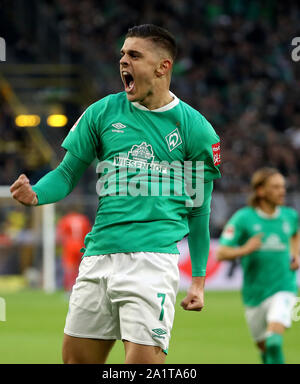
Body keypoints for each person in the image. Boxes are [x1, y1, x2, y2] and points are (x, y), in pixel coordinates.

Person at [10, 24, 221, 364]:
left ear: (162, 67)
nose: (123, 60)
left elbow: (199, 210)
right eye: (122, 54)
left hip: (151, 261)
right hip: (97, 257)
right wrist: (36, 194)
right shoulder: (102, 112)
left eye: (134, 55)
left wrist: (197, 282)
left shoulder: (195, 129)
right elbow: (65, 174)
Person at [216, 168, 299, 364]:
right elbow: (221, 253)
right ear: (261, 191)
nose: (282, 191)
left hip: (284, 288)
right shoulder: (244, 218)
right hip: (254, 294)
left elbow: (295, 233)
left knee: (274, 343)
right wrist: (245, 249)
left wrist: (296, 254)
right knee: (264, 349)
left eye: (283, 187)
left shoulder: (289, 216)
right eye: (276, 187)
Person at [56, 208, 91, 291]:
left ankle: (69, 289)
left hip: (70, 246)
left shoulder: (66, 219)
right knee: (82, 268)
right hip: (81, 245)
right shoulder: (83, 219)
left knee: (69, 269)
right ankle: (82, 288)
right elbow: (88, 233)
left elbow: (59, 236)